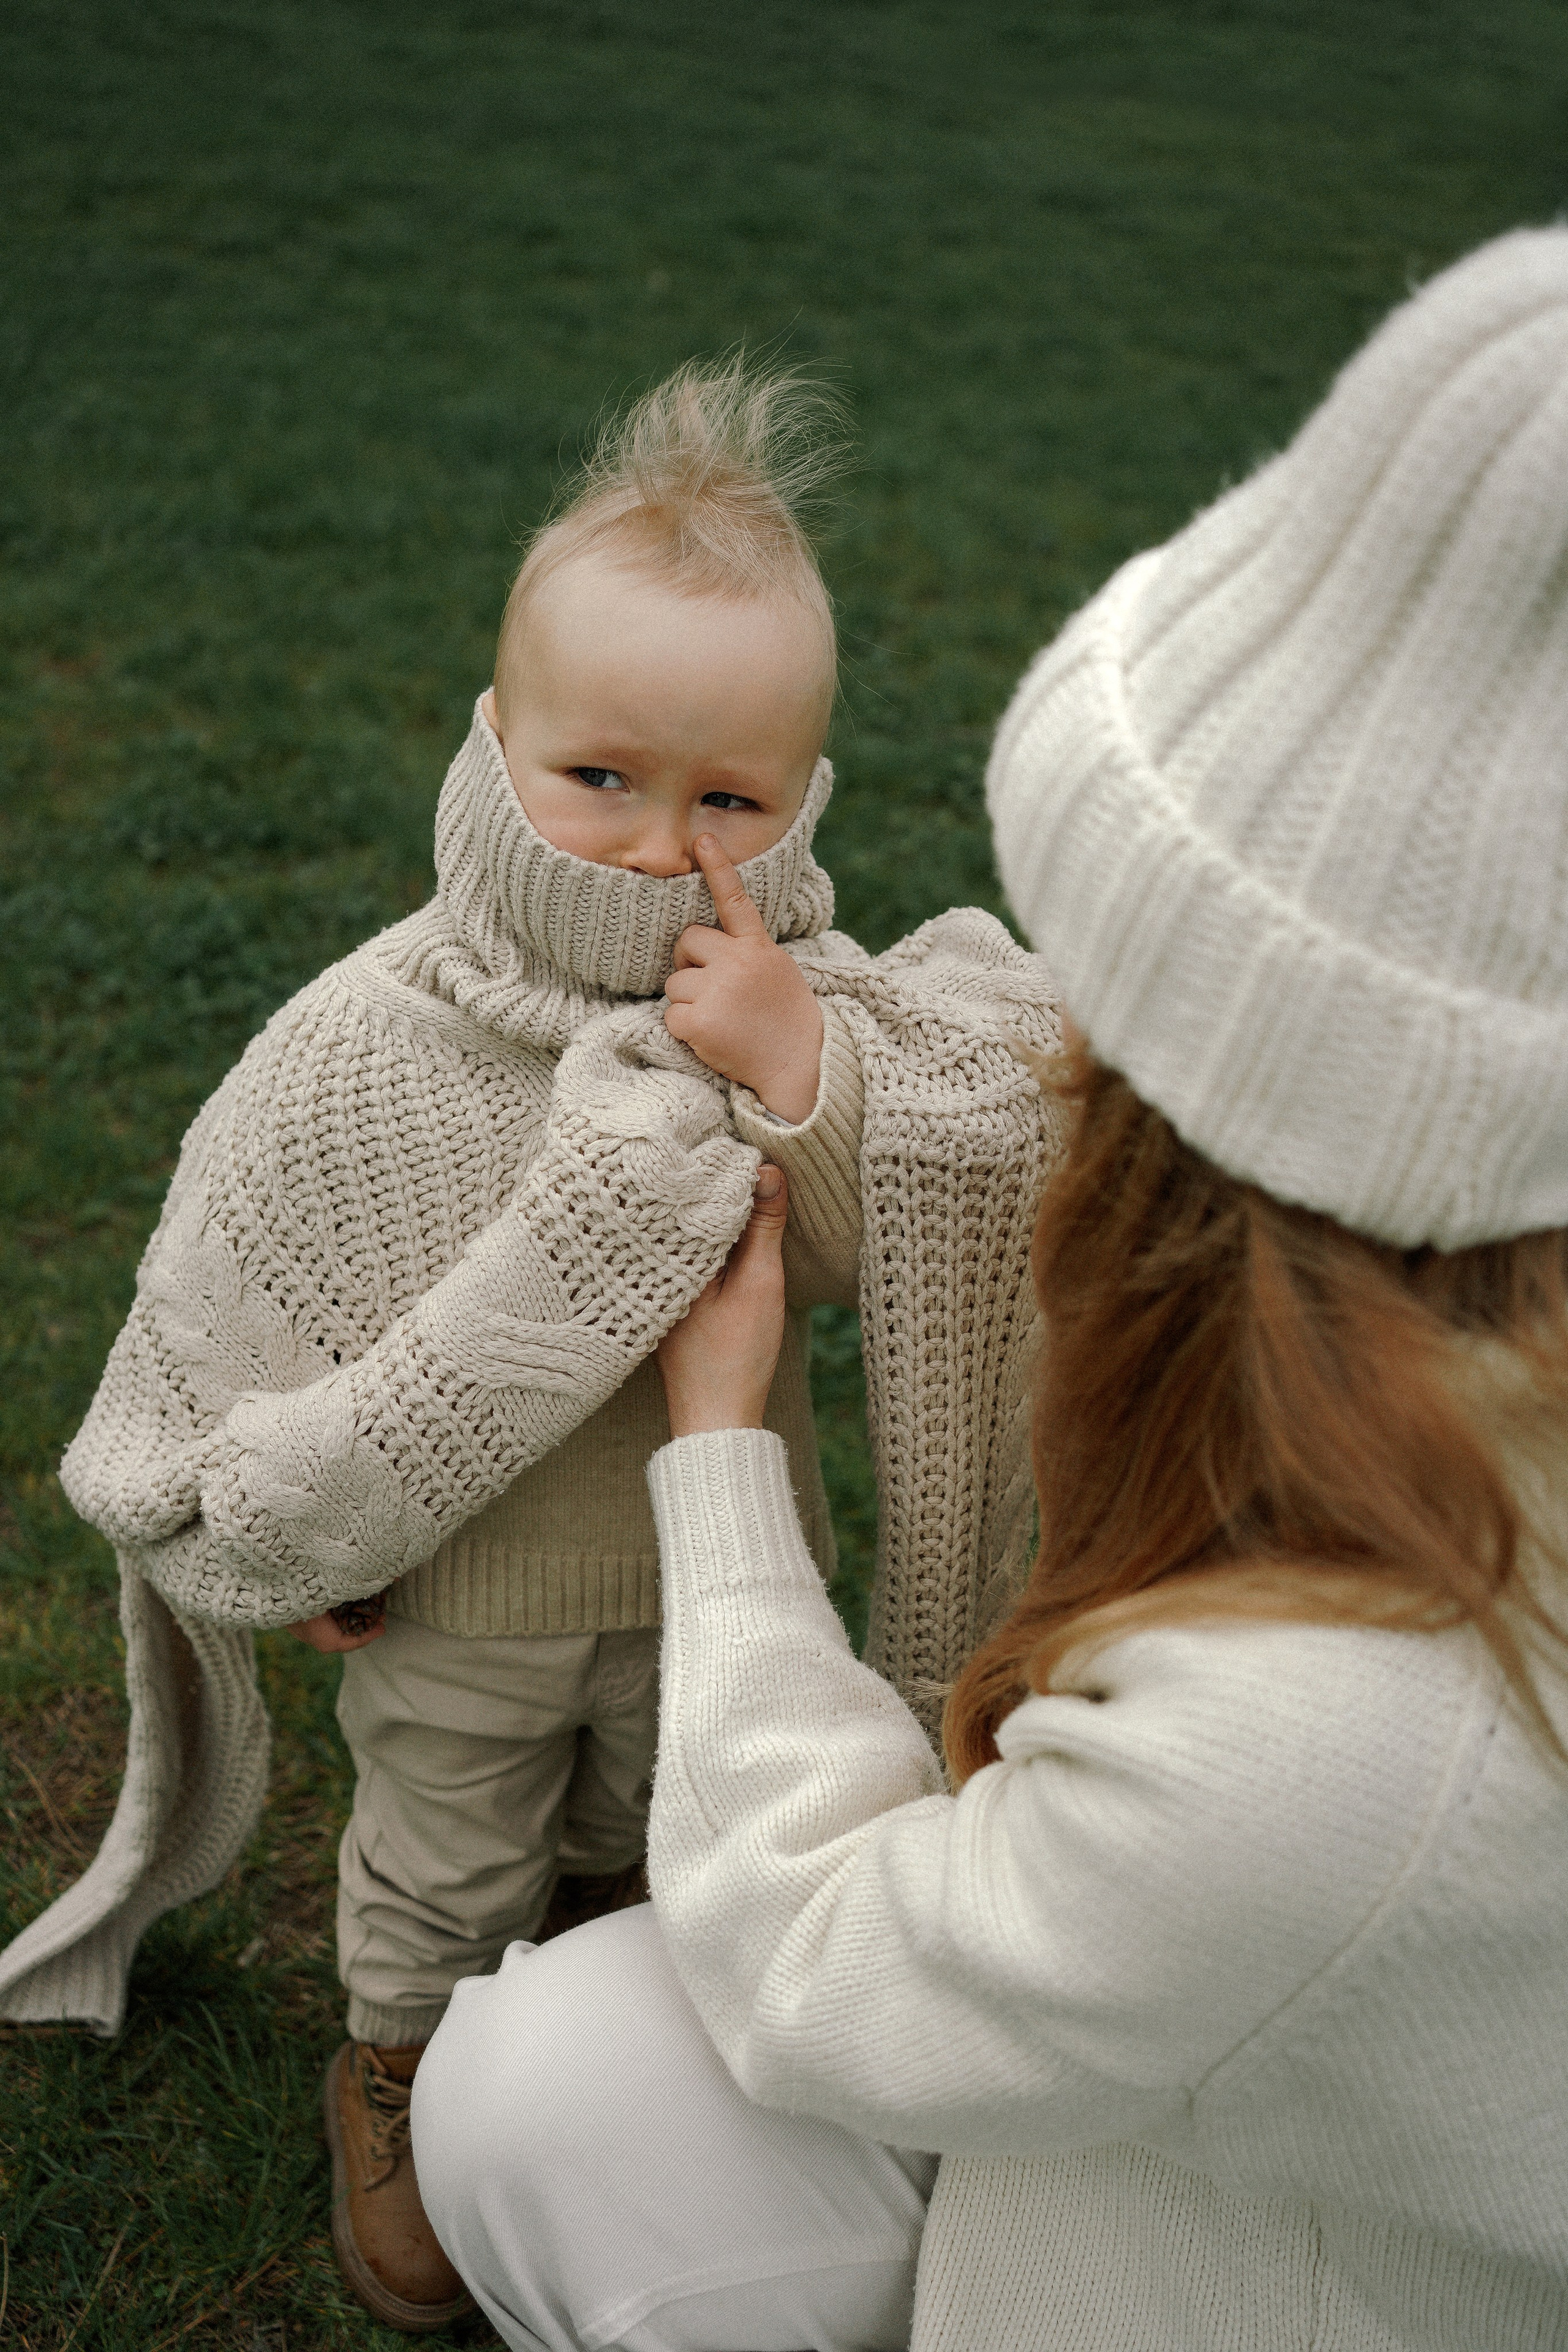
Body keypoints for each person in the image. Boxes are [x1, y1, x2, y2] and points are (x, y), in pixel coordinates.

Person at [410, 228, 1568, 2352]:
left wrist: (726, 1452)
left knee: (537, 2089)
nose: (1047, 1040)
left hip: (1255, 2268)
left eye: (1107, 991)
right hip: (1256, 2041)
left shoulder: (1336, 1732)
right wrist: (836, 1078)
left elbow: (823, 1955)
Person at [0, 360, 1058, 2332]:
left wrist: (799, 1063)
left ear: (801, 806)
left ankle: (623, 2042)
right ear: (498, 749)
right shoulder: (360, 1042)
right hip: (458, 1599)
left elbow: (895, 1226)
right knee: (443, 1856)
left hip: (713, 1565)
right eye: (605, 778)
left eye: (727, 800)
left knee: (670, 1830)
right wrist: (312, 1499)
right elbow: (239, 1297)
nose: (661, 846)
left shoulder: (779, 1004)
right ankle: (395, 2061)